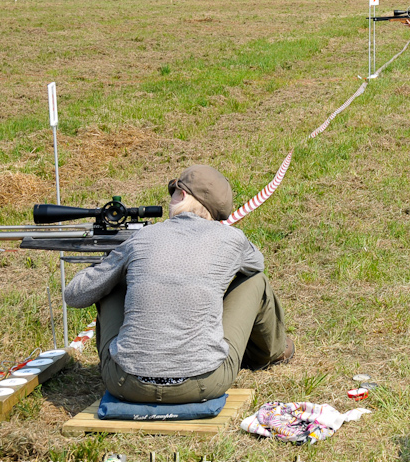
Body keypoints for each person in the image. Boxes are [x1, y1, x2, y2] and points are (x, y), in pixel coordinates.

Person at [63, 165, 292, 404]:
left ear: (182, 195)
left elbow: (75, 295)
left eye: (173, 192)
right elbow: (256, 265)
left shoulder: (140, 238)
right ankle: (273, 353)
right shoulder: (233, 239)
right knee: (256, 282)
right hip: (206, 383)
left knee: (111, 281)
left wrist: (110, 262)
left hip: (125, 384)